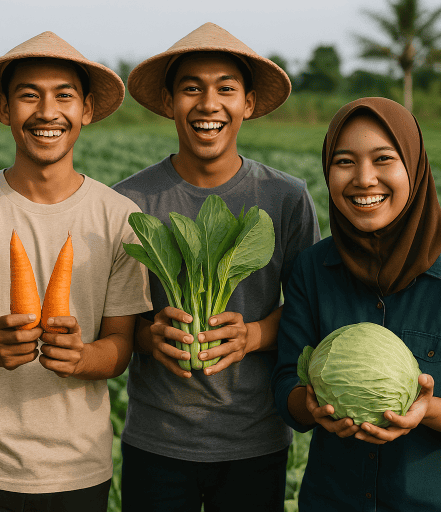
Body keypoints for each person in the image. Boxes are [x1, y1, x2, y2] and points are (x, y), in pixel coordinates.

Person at [0, 31, 151, 512]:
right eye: (29, 95)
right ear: (5, 109)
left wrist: (81, 357)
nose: (47, 111)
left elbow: (120, 346)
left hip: (77, 468)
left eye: (63, 96)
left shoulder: (119, 218)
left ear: (86, 110)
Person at [271, 97, 441, 511]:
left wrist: (429, 410)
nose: (364, 179)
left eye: (384, 159)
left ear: (415, 167)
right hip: (334, 501)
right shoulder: (313, 269)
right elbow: (285, 383)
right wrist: (311, 406)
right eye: (345, 161)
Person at [112, 22, 320, 512]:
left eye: (226, 88)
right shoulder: (128, 201)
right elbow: (114, 321)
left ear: (247, 103)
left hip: (256, 439)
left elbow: (311, 312)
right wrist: (149, 335)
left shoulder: (285, 197)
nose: (209, 104)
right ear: (169, 103)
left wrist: (253, 335)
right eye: (191, 89)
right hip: (156, 438)